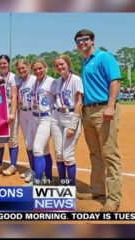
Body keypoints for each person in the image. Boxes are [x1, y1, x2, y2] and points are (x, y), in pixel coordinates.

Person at [74, 29, 122, 212]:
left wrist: (110, 106)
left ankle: (114, 198)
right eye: (78, 41)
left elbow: (115, 81)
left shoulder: (105, 57)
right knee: (95, 153)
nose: (81, 43)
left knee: (110, 154)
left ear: (93, 40)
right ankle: (98, 190)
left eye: (85, 39)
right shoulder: (85, 62)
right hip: (89, 111)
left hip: (104, 110)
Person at [51, 55, 84, 186]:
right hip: (56, 118)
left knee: (68, 155)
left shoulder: (76, 79)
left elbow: (79, 103)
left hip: (71, 117)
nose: (60, 67)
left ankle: (71, 185)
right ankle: (62, 182)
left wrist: (73, 125)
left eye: (62, 64)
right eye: (57, 65)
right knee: (59, 154)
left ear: (68, 64)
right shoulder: (56, 81)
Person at [0, 55, 19, 176]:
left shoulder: (13, 77)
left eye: (4, 63)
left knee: (12, 139)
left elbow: (14, 96)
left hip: (10, 110)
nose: (2, 65)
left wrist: (12, 113)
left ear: (8, 64)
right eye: (0, 63)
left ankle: (12, 165)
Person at [30, 59, 55, 185]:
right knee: (45, 150)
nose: (38, 71)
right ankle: (49, 178)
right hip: (35, 117)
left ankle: (37, 181)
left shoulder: (51, 82)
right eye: (35, 69)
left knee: (37, 149)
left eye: (40, 68)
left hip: (46, 118)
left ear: (45, 67)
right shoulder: (35, 82)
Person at [14, 59, 37, 183]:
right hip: (22, 112)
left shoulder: (34, 79)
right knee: (28, 142)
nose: (21, 70)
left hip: (32, 113)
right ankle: (32, 168)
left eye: (23, 68)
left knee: (33, 144)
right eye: (19, 69)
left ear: (28, 67)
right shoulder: (20, 82)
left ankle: (37, 172)